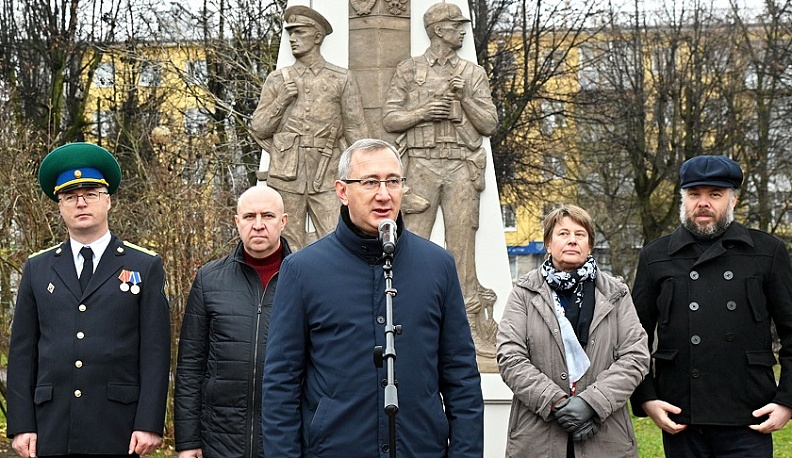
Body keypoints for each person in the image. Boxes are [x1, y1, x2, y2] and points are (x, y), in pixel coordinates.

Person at [261, 138, 484, 457]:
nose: (384, 194)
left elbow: (461, 377)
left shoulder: (438, 266)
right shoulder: (302, 270)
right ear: (342, 191)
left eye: (393, 181)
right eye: (369, 182)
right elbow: (281, 383)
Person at [7, 143, 171, 457]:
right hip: (51, 425)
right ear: (60, 206)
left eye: (91, 194)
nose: (81, 203)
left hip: (118, 426)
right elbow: (22, 352)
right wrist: (21, 424)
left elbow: (155, 350)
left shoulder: (144, 265)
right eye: (70, 196)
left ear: (108, 200)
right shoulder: (38, 268)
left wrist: (149, 422)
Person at [631, 155, 792, 457]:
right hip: (680, 413)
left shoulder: (767, 252)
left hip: (749, 412)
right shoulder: (655, 256)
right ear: (683, 199)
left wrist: (787, 400)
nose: (703, 203)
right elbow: (634, 338)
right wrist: (646, 398)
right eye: (694, 194)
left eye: (715, 194)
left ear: (733, 200)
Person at [382, 2, 499, 357]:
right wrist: (423, 112)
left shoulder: (472, 73)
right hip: (421, 165)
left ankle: (467, 327)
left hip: (461, 164)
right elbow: (390, 119)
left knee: (462, 248)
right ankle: (407, 323)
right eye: (455, 25)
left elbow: (489, 124)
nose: (462, 30)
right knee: (412, 245)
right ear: (437, 30)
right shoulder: (409, 70)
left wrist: (465, 97)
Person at [497, 204, 650, 457]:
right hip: (538, 437)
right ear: (548, 244)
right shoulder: (523, 293)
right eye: (563, 233)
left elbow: (636, 356)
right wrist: (556, 403)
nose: (572, 240)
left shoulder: (616, 294)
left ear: (589, 245)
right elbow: (510, 357)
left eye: (580, 234)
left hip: (605, 435)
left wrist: (590, 404)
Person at [174, 185, 291, 458]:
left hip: (284, 440)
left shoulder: (304, 279)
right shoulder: (209, 280)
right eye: (249, 216)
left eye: (268, 216)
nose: (258, 225)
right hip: (219, 441)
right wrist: (188, 442)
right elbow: (190, 366)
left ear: (283, 221)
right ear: (237, 222)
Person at [251, 5, 367, 250]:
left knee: (336, 240)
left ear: (317, 37)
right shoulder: (277, 80)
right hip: (286, 173)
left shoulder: (340, 78)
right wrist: (282, 100)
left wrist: (365, 176)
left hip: (327, 172)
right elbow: (259, 128)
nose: (292, 38)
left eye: (299, 32)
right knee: (286, 243)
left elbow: (356, 131)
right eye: (290, 33)